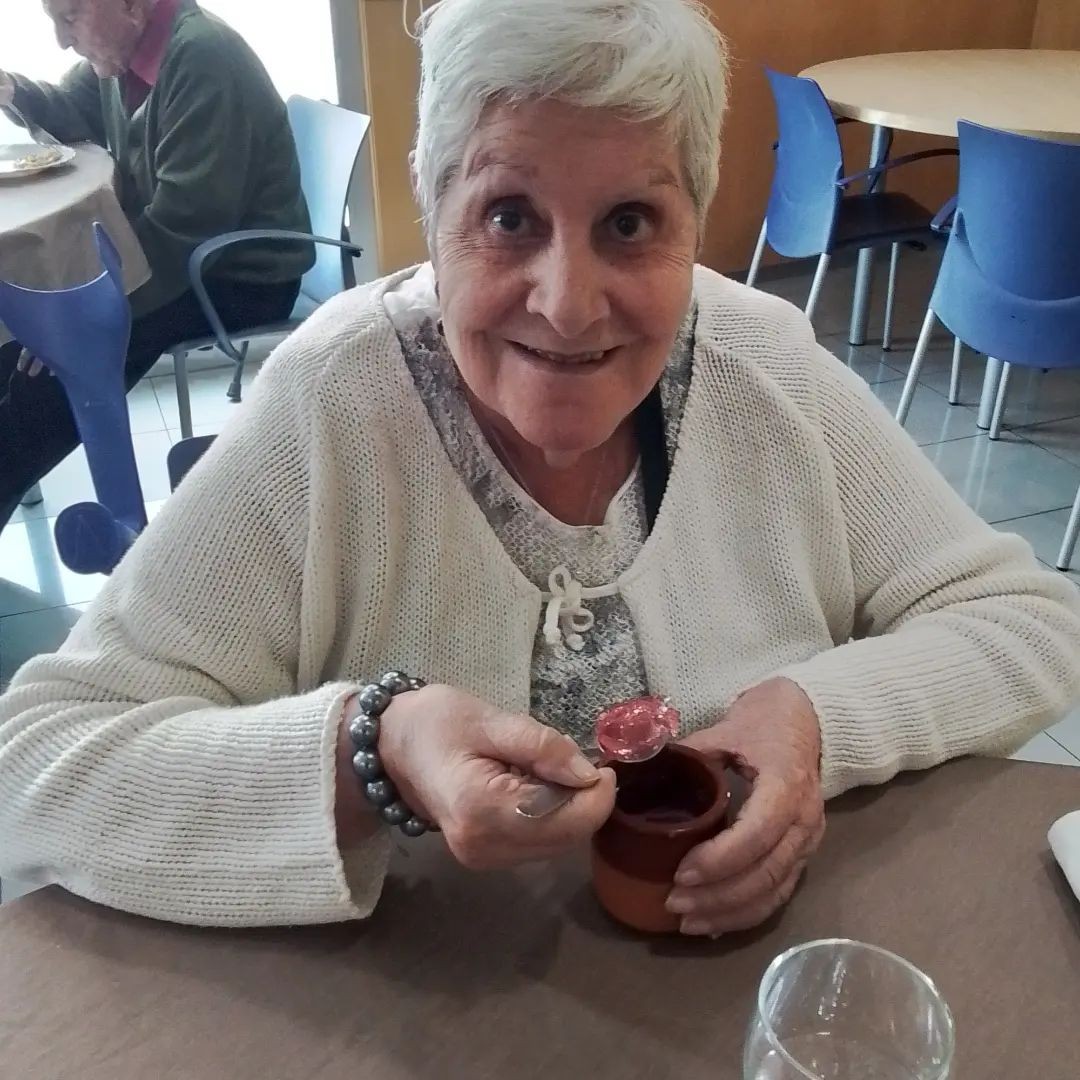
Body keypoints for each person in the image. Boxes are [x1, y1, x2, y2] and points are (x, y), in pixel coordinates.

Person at [1, 0, 1079, 936]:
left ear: (695, 222)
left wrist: (815, 718)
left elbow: (1029, 622)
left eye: (630, 222)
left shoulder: (765, 368)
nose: (568, 304)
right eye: (509, 216)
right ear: (433, 214)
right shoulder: (330, 403)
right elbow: (38, 761)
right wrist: (370, 756)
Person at [0, 0, 314, 529]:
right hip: (179, 258)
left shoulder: (203, 59)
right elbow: (73, 109)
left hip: (237, 273)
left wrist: (77, 315)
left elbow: (183, 230)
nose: (61, 39)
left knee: (56, 375)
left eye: (70, 17)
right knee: (16, 349)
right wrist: (12, 88)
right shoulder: (127, 51)